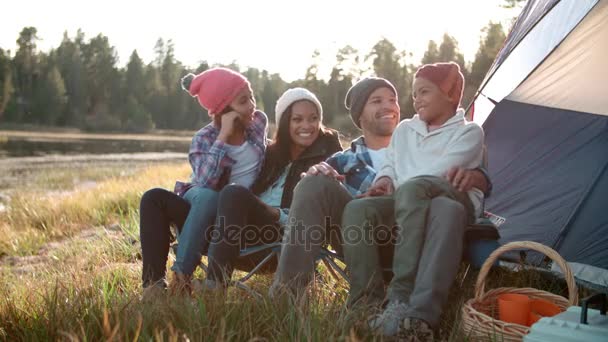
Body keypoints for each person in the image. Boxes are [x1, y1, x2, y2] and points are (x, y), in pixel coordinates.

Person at [270, 76, 491, 300]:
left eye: (392, 99)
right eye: (376, 101)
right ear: (359, 115)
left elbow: (461, 175)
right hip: (361, 243)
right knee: (313, 183)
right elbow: (311, 190)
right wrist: (316, 173)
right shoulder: (343, 160)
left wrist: (479, 177)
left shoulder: (421, 141)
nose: (388, 106)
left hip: (420, 237)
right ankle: (286, 295)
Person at [342, 62, 483, 340]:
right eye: (414, 93)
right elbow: (392, 165)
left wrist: (402, 187)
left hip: (449, 195)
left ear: (451, 95)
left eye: (425, 92)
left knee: (430, 198)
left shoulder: (469, 132)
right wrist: (384, 180)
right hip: (407, 199)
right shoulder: (405, 129)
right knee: (358, 209)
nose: (416, 98)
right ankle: (366, 305)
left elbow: (443, 172)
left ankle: (401, 295)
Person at [139, 67, 268, 296]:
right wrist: (223, 137)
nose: (252, 106)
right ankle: (154, 287)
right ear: (225, 110)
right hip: (198, 205)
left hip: (233, 215)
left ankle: (181, 277)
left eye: (251, 96)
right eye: (243, 101)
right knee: (155, 197)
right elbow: (206, 181)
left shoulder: (258, 124)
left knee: (221, 197)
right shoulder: (204, 138)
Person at [203, 87, 342, 290]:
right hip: (243, 233)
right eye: (297, 119)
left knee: (235, 193)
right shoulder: (269, 155)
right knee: (162, 199)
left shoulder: (329, 156)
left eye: (313, 118)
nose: (307, 125)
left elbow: (321, 216)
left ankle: (214, 284)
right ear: (285, 122)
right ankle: (169, 279)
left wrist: (276, 214)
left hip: (284, 238)